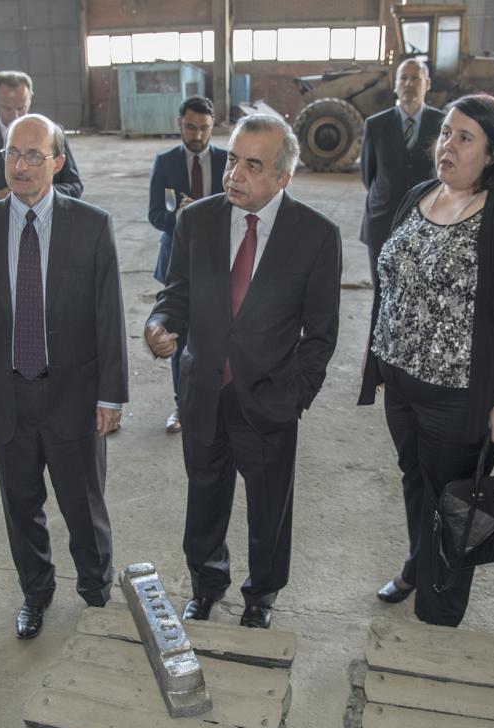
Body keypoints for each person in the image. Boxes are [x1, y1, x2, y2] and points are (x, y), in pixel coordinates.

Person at [359, 93, 494, 628]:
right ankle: (419, 566)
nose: (447, 145)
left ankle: (437, 616)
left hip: (460, 397)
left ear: (493, 153)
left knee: (454, 505)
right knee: (416, 484)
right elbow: (392, 286)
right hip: (401, 387)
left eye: (465, 138)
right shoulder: (421, 195)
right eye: (445, 133)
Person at [145, 113, 342, 630]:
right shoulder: (196, 221)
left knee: (269, 506)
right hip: (204, 389)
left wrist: (294, 395)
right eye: (232, 159)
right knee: (205, 497)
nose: (234, 174)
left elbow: (320, 335)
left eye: (252, 166)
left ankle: (261, 595)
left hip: (269, 398)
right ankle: (207, 583)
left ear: (283, 177)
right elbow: (177, 293)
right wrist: (160, 322)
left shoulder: (316, 237)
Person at [0, 114, 127, 640]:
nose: (20, 166)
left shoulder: (91, 225)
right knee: (20, 503)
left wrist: (111, 395)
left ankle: (96, 591)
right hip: (6, 395)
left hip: (72, 393)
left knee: (82, 503)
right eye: (12, 154)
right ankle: (35, 591)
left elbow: (109, 317)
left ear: (57, 161)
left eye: (33, 155)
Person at [147, 96, 228, 433]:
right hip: (177, 262)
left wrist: (205, 213)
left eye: (205, 128)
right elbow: (155, 214)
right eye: (191, 127)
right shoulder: (165, 162)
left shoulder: (227, 161)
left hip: (220, 262)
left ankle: (221, 399)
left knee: (219, 333)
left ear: (213, 126)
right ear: (179, 123)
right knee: (176, 333)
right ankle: (182, 406)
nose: (198, 135)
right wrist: (183, 218)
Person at [359, 59, 443, 287]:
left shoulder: (441, 123)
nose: (408, 83)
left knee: (417, 286)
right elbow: (369, 174)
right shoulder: (375, 125)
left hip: (425, 218)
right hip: (382, 218)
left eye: (415, 78)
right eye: (403, 78)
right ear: (395, 85)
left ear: (427, 83)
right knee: (381, 286)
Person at [0, 70, 83, 210]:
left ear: (31, 98)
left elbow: (74, 186)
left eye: (21, 108)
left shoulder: (53, 132)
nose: (15, 116)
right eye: (7, 108)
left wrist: (40, 193)